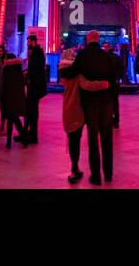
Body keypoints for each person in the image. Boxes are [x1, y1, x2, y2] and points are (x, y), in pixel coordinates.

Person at [73, 30, 119, 184]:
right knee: (107, 138)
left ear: (88, 39)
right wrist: (113, 104)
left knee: (93, 139)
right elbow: (114, 80)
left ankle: (96, 176)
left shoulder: (82, 55)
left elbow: (73, 71)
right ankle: (108, 173)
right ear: (98, 40)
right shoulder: (107, 57)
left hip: (90, 102)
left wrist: (62, 70)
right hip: (106, 102)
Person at [58, 46, 108, 183]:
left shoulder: (63, 75)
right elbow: (87, 85)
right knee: (76, 140)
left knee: (72, 139)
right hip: (77, 110)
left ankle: (75, 168)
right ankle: (75, 169)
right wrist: (102, 84)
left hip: (67, 110)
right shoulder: (77, 75)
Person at [22, 34, 48, 144]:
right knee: (31, 110)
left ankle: (32, 135)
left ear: (32, 41)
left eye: (28, 42)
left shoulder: (37, 52)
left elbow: (36, 69)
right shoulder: (36, 52)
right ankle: (29, 133)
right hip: (34, 86)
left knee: (31, 110)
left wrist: (28, 76)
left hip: (35, 87)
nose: (27, 44)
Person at [0, 51, 27, 147]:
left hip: (8, 99)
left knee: (11, 120)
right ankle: (19, 139)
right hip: (16, 100)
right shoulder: (19, 71)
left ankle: (13, 140)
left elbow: (4, 86)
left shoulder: (7, 71)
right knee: (14, 119)